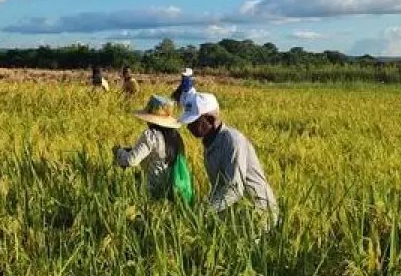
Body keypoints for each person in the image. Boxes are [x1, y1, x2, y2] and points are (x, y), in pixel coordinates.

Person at [179, 92, 279, 226]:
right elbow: (219, 186)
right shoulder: (210, 143)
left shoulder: (233, 141)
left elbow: (234, 189)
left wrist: (202, 212)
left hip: (257, 212)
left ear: (210, 119)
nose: (188, 126)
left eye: (193, 122)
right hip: (237, 210)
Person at [113, 95, 188, 201]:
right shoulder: (176, 137)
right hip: (172, 189)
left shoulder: (151, 136)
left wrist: (119, 152)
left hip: (152, 190)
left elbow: (131, 160)